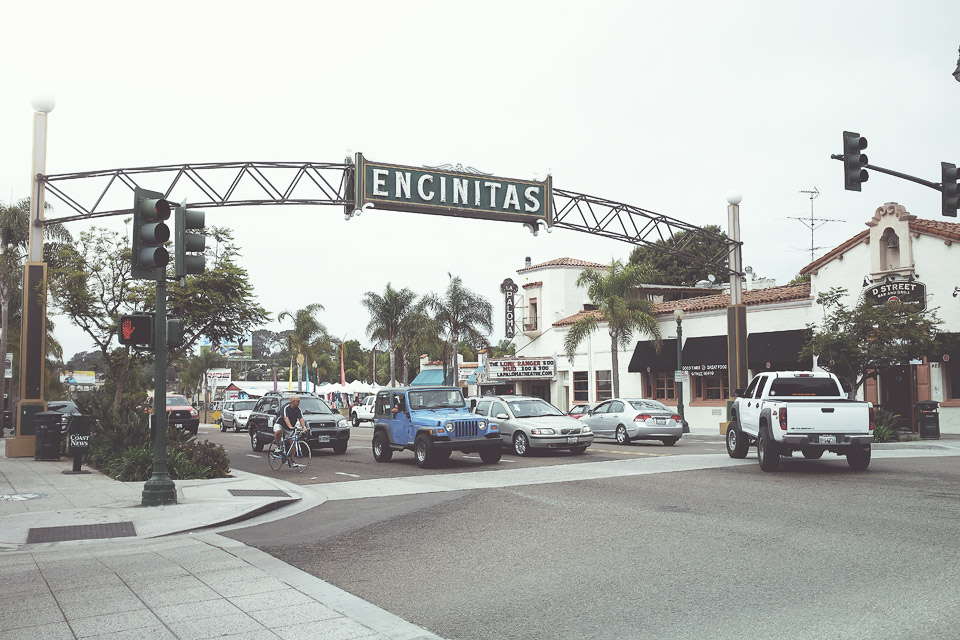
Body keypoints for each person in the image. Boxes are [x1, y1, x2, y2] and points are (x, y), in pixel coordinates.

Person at [273, 395, 307, 467]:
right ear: (292, 401)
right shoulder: (285, 408)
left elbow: (301, 418)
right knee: (278, 431)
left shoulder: (298, 410)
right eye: (298, 401)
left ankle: (292, 460)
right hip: (281, 424)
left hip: (290, 428)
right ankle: (278, 446)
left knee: (293, 443)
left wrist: (304, 427)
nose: (299, 402)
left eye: (299, 401)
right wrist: (290, 426)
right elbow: (286, 418)